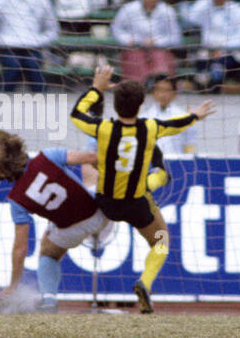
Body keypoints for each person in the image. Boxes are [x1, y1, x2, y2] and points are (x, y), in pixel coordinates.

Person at [69, 64, 213, 313]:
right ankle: (145, 283)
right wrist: (196, 116)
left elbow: (77, 114)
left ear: (115, 104)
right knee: (161, 242)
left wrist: (96, 89)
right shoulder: (150, 128)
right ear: (141, 103)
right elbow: (176, 124)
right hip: (136, 204)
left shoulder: (103, 129)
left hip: (106, 202)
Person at [0, 130, 110, 313]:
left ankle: (49, 299)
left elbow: (20, 248)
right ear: (18, 147)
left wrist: (13, 286)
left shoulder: (16, 200)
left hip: (72, 230)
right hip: (102, 210)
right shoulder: (47, 156)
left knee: (48, 253)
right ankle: (94, 131)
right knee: (90, 171)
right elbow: (90, 157)